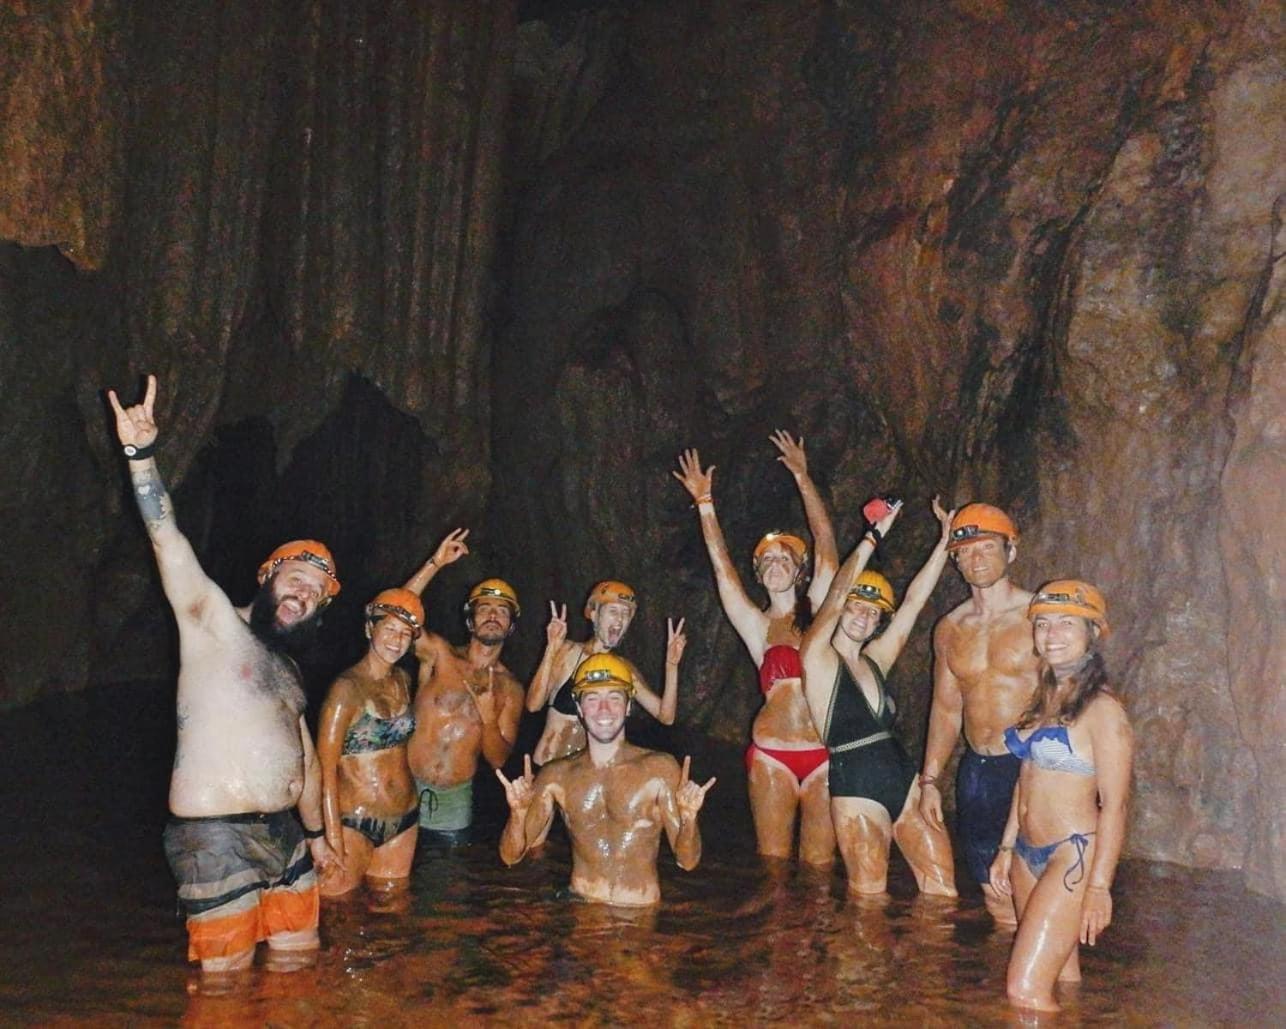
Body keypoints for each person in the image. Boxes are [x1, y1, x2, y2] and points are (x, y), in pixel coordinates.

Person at [106, 375, 338, 974]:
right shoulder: (210, 621)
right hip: (215, 835)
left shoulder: (287, 667)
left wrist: (316, 835)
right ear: (267, 576)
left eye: (315, 593)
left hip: (286, 836)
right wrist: (140, 455)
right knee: (224, 996)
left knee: (299, 977)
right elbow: (167, 540)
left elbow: (306, 759)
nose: (304, 595)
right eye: (297, 579)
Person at [672, 432, 838, 865]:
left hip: (824, 753)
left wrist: (803, 477)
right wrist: (705, 504)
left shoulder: (820, 615)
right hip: (771, 755)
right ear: (759, 575)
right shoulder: (757, 627)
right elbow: (723, 572)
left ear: (799, 572)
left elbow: (825, 542)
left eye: (784, 559)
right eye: (766, 562)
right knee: (773, 868)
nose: (775, 565)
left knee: (821, 870)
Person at [799, 498, 958, 895]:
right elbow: (835, 595)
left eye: (873, 613)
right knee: (869, 904)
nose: (863, 617)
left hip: (904, 779)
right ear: (842, 609)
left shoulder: (876, 660)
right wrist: (872, 537)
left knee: (943, 894)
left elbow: (913, 604)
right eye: (856, 607)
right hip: (857, 788)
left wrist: (945, 543)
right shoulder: (817, 658)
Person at [989, 581, 1133, 1013]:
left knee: (1025, 992)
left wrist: (1100, 887)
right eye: (1043, 624)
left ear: (1092, 632)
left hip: (1071, 856)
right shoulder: (1044, 698)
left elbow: (1116, 805)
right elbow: (1026, 776)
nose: (1051, 634)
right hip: (1026, 854)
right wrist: (1006, 847)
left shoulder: (1103, 711)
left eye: (1066, 624)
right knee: (1063, 979)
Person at [496, 654, 715, 905]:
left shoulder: (659, 769)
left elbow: (688, 862)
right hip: (582, 906)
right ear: (579, 708)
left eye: (614, 698)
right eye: (592, 699)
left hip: (639, 913)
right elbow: (510, 857)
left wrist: (689, 818)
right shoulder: (556, 775)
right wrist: (518, 814)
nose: (604, 710)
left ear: (628, 706)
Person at [918, 503, 1038, 923]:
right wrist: (930, 780)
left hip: (1031, 766)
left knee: (1035, 887)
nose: (977, 558)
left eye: (987, 547)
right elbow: (946, 708)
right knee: (994, 893)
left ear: (1011, 551)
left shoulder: (1040, 618)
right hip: (979, 770)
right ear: (955, 560)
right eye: (966, 551)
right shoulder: (950, 628)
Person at [402, 554, 525, 846]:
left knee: (449, 873)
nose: (493, 616)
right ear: (471, 621)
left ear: (510, 626)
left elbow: (497, 759)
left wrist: (488, 718)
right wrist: (435, 563)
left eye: (502, 611)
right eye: (484, 609)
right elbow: (397, 613)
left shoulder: (511, 688)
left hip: (453, 805)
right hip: (403, 786)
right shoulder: (439, 655)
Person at [315, 588, 426, 896]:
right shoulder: (345, 689)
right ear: (369, 629)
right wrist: (332, 840)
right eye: (389, 629)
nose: (397, 640)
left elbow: (406, 601)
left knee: (391, 907)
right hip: (354, 822)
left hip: (404, 818)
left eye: (405, 634)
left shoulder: (403, 679)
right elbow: (324, 770)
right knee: (338, 910)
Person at [527, 581, 685, 764]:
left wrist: (671, 665)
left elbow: (666, 717)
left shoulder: (623, 669)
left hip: (582, 775)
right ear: (594, 615)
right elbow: (533, 705)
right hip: (547, 766)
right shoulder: (568, 652)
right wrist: (551, 649)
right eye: (613, 611)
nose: (620, 619)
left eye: (625, 614)